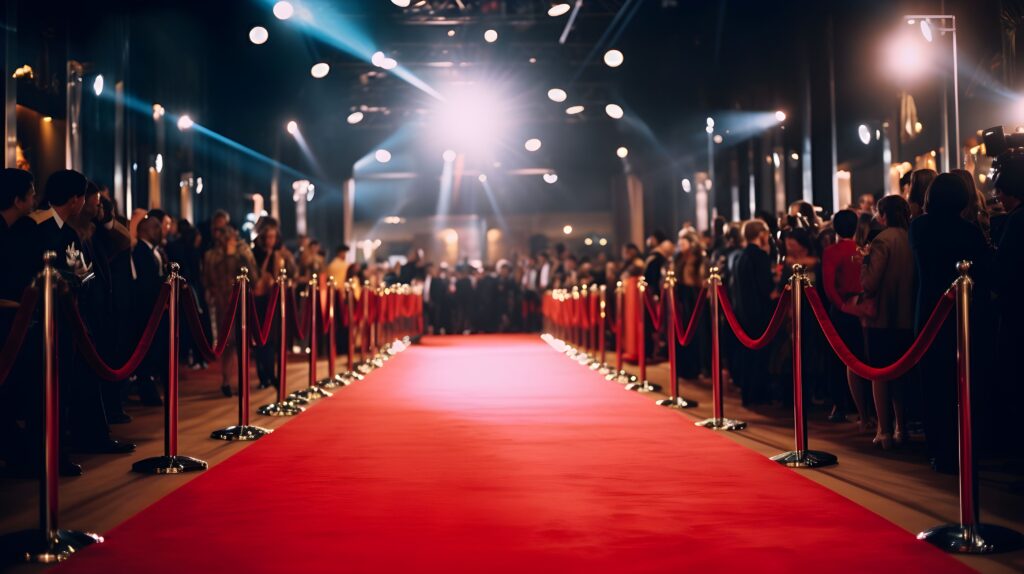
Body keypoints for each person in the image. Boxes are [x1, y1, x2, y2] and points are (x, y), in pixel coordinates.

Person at [909, 173, 992, 472]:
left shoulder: (918, 227)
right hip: (963, 314)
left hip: (929, 309)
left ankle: (938, 450)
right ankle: (966, 446)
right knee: (965, 384)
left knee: (932, 385)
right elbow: (985, 270)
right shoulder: (969, 231)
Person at [860, 194, 915, 449]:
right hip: (909, 315)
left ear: (883, 215)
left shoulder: (882, 240)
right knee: (902, 373)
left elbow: (870, 283)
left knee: (880, 373)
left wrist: (863, 261)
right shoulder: (912, 236)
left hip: (883, 316)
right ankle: (901, 427)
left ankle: (883, 429)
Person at [822, 210, 869, 430]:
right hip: (861, 306)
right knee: (861, 356)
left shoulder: (832, 251)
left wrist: (841, 306)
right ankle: (862, 408)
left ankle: (840, 405)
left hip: (841, 309)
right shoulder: (861, 250)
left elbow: (829, 286)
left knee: (838, 358)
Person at [203, 223, 256, 397]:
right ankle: (226, 381)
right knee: (226, 344)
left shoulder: (243, 253)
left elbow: (252, 276)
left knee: (241, 343)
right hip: (221, 305)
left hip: (240, 303)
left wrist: (235, 255)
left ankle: (242, 380)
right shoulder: (211, 256)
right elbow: (208, 278)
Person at [731, 219, 775, 406]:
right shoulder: (760, 257)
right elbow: (766, 289)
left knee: (746, 355)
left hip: (742, 312)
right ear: (761, 235)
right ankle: (758, 393)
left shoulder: (739, 256)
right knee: (759, 356)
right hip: (759, 312)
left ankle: (748, 393)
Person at [251, 217, 296, 390]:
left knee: (273, 339)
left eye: (274, 236)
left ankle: (271, 374)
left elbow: (292, 272)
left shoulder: (281, 253)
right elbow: (255, 277)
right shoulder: (255, 253)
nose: (271, 240)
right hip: (260, 300)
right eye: (268, 236)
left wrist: (287, 258)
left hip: (275, 299)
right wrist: (268, 257)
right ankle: (266, 375)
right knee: (261, 339)